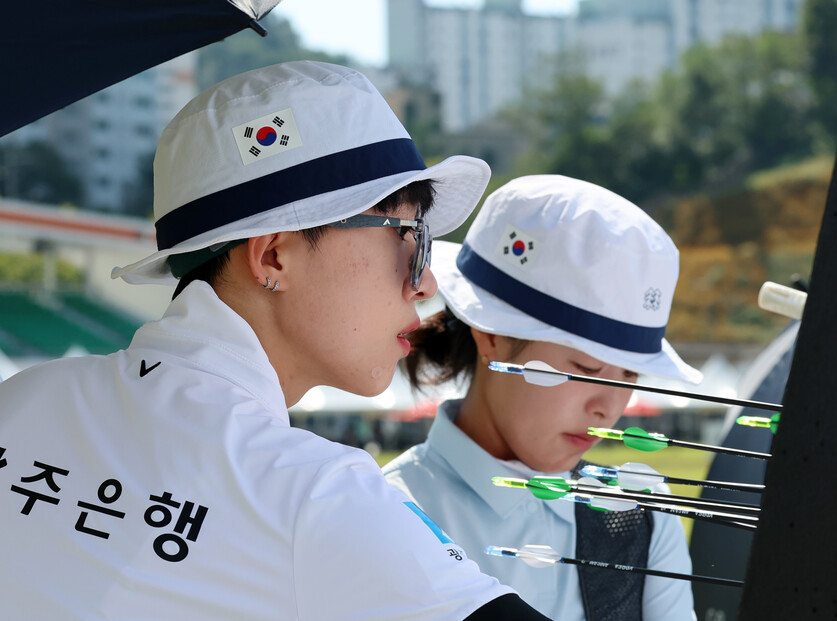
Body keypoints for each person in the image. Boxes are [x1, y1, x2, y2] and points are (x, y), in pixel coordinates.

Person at [0, 61, 549, 620]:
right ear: (274, 257)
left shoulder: (25, 396)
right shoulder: (317, 496)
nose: (426, 282)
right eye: (410, 238)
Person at [383, 174, 705, 620]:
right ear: (492, 336)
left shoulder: (638, 512)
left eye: (630, 374)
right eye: (587, 369)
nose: (609, 407)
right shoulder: (389, 512)